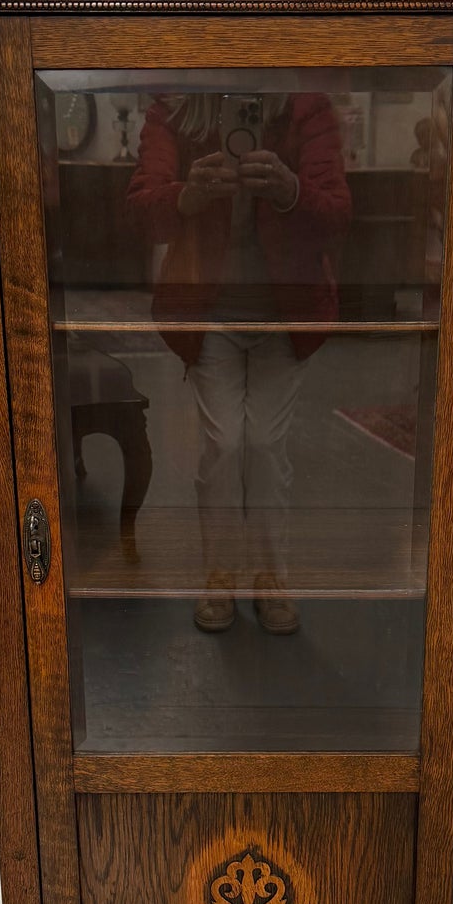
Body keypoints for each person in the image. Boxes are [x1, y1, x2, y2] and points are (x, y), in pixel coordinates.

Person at [126, 90, 351, 635]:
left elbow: (338, 216)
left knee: (265, 446)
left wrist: (290, 190)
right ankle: (222, 575)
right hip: (211, 312)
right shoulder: (176, 110)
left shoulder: (304, 109)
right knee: (227, 444)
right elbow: (140, 213)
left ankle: (268, 577)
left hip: (283, 312)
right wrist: (187, 197)